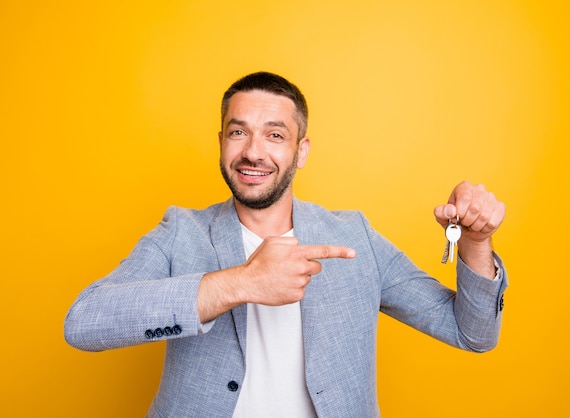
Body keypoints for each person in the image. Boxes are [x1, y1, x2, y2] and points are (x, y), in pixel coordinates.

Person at [64, 71, 508, 418]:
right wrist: (239, 283)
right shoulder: (181, 232)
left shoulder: (354, 237)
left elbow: (472, 333)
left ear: (301, 151)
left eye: (275, 135)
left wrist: (476, 241)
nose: (253, 152)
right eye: (238, 133)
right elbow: (84, 322)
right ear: (221, 144)